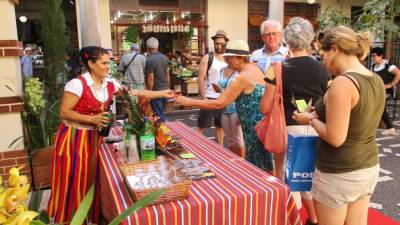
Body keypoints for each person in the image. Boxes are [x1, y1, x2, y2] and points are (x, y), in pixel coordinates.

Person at [47, 46, 174, 224]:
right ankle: (71, 219)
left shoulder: (109, 83)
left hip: (94, 138)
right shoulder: (77, 84)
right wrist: (93, 119)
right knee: (75, 178)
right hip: (74, 139)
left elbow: (133, 93)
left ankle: (91, 216)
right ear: (91, 64)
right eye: (104, 63)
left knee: (92, 177)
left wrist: (161, 93)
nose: (108, 66)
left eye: (109, 62)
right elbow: (64, 113)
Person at [292, 26, 385, 225]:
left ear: (334, 49)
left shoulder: (343, 83)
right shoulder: (375, 79)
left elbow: (335, 137)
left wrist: (309, 119)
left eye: (322, 53)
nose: (322, 60)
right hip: (367, 166)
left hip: (339, 171)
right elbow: (359, 121)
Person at [260, 17, 330, 225]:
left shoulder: (276, 68)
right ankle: (315, 219)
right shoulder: (323, 69)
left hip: (287, 130)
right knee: (309, 178)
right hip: (317, 128)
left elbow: (264, 107)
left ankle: (291, 218)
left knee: (286, 176)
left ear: (287, 41)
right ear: (309, 41)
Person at [176, 40, 274, 172]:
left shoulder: (243, 77)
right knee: (265, 165)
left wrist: (189, 101)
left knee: (262, 169)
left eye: (229, 57)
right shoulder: (256, 69)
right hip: (261, 126)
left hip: (254, 130)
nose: (226, 60)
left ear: (240, 58)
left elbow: (219, 103)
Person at [196, 30, 228, 145]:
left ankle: (220, 149)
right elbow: (201, 78)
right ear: (214, 43)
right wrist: (203, 97)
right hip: (209, 97)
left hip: (223, 98)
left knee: (220, 126)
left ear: (226, 44)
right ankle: (193, 148)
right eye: (217, 43)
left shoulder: (227, 59)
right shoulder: (207, 58)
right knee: (202, 125)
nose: (219, 46)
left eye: (222, 44)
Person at [216, 65, 245, 157]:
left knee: (238, 139)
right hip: (225, 107)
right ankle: (234, 161)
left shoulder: (240, 70)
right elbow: (224, 89)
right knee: (230, 140)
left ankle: (242, 163)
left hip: (236, 108)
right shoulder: (222, 69)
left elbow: (243, 91)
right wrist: (219, 90)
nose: (228, 59)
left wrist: (242, 113)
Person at [370, 47, 400, 135]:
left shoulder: (387, 65)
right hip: (378, 91)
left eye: (374, 56)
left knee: (380, 108)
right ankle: (390, 128)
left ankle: (390, 128)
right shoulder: (374, 66)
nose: (373, 58)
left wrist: (391, 84)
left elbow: (398, 73)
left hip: (386, 92)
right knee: (379, 108)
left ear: (381, 56)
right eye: (372, 56)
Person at [145, 37, 170, 122]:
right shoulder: (165, 58)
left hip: (156, 91)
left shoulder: (149, 60)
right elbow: (167, 75)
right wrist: (168, 88)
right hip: (165, 89)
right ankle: (162, 132)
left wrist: (149, 92)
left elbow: (150, 78)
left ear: (147, 48)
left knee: (158, 115)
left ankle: (162, 133)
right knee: (161, 112)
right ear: (157, 46)